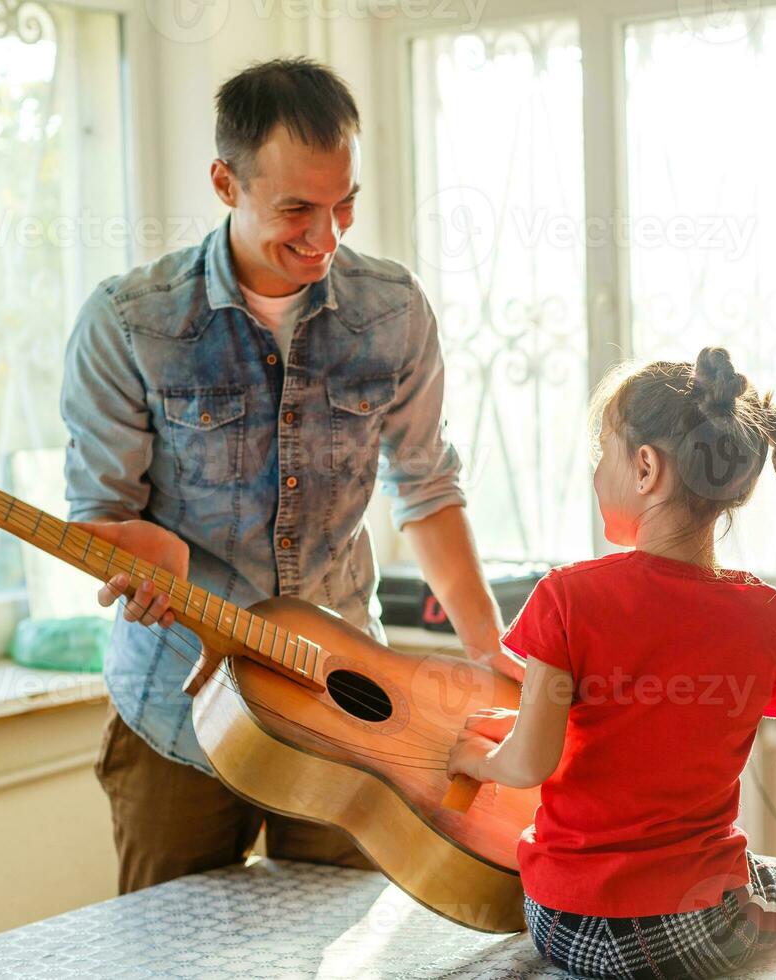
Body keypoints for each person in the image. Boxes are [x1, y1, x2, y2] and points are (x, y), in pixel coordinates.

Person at [60, 57, 519, 894]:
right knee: (170, 958)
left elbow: (426, 488)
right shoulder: (130, 323)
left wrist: (489, 643)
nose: (327, 238)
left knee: (335, 950)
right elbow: (100, 516)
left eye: (345, 203)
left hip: (351, 714)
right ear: (224, 181)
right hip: (179, 707)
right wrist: (134, 560)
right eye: (297, 210)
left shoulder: (394, 310)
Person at [447, 347, 776, 979]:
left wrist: (473, 757)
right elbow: (660, 720)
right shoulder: (770, 617)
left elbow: (529, 763)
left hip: (562, 923)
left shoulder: (566, 597)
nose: (594, 473)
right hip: (689, 923)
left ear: (645, 468)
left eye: (601, 452)